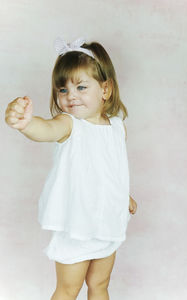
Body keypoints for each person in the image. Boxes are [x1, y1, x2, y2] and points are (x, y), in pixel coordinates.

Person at [5, 36, 137, 300]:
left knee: (100, 285)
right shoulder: (69, 124)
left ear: (105, 89)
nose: (70, 96)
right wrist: (25, 123)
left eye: (80, 87)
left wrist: (124, 196)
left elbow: (110, 170)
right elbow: (44, 129)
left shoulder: (116, 127)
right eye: (62, 90)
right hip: (76, 225)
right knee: (68, 290)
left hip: (107, 222)